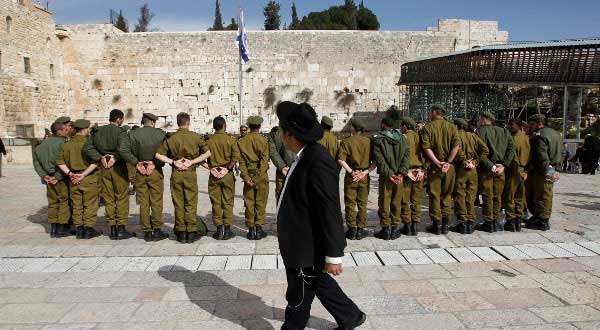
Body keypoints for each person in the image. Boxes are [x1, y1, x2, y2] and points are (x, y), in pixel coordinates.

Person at [276, 101, 366, 330]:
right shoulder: (303, 156)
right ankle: (350, 316)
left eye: (281, 130)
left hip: (306, 246)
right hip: (301, 243)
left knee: (298, 294)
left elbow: (330, 208)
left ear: (289, 135)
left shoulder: (317, 159)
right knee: (319, 281)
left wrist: (334, 255)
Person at [155, 112, 211, 243]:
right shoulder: (196, 137)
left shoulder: (171, 138)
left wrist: (173, 162)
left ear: (177, 123)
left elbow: (158, 154)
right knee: (190, 202)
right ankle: (191, 232)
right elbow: (207, 153)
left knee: (179, 203)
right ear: (188, 122)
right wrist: (192, 161)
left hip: (176, 173)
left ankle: (181, 232)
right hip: (190, 173)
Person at [83, 109, 133, 240]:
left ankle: (112, 228)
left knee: (109, 198)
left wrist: (101, 157)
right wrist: (116, 158)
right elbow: (125, 149)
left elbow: (87, 148)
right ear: (119, 119)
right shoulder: (121, 132)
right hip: (118, 168)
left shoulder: (98, 131)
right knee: (121, 198)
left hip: (104, 168)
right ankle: (121, 228)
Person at [120, 113, 169, 242]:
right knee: (156, 202)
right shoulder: (160, 134)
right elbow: (167, 151)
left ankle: (147, 231)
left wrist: (136, 162)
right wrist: (155, 163)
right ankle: (157, 230)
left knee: (144, 203)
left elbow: (123, 150)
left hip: (140, 171)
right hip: (155, 171)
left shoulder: (132, 134)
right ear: (152, 122)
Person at [56, 119, 101, 239]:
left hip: (73, 179)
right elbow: (96, 162)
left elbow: (60, 162)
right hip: (88, 177)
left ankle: (79, 229)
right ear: (85, 129)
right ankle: (88, 229)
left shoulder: (66, 144)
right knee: (90, 204)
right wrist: (83, 174)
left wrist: (70, 174)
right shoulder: (89, 144)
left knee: (76, 205)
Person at [420, 104, 460, 235]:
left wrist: (437, 162)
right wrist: (448, 162)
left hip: (435, 167)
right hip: (449, 167)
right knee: (447, 194)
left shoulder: (428, 127)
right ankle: (445, 225)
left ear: (434, 112)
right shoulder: (452, 127)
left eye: (431, 111)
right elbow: (456, 146)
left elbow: (426, 147)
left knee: (434, 195)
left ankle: (436, 225)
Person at [371, 111, 409, 240]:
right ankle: (395, 229)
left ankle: (386, 229)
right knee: (396, 202)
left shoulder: (377, 139)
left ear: (383, 124)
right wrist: (401, 173)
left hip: (386, 177)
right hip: (399, 177)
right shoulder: (403, 139)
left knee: (384, 202)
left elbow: (379, 160)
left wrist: (389, 174)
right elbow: (406, 157)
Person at [476, 112, 515, 233]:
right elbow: (511, 148)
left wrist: (491, 166)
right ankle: (496, 221)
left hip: (487, 168)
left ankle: (489, 222)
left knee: (487, 195)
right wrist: (504, 164)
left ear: (483, 120)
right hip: (501, 168)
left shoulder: (480, 132)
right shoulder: (504, 131)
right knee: (497, 195)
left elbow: (479, 152)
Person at [526, 114, 565, 231]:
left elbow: (541, 154)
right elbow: (562, 152)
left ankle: (543, 220)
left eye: (532, 124)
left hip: (542, 170)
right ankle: (539, 216)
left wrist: (548, 170)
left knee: (541, 195)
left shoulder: (540, 135)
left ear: (539, 123)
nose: (530, 127)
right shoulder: (556, 134)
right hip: (551, 168)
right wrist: (557, 169)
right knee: (545, 193)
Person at [33, 122, 72, 238]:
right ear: (58, 131)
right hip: (60, 178)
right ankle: (61, 228)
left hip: (49, 179)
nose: (67, 131)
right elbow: (65, 162)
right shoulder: (63, 144)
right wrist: (57, 176)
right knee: (63, 201)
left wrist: (45, 176)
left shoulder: (41, 145)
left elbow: (36, 163)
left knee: (52, 202)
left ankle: (53, 229)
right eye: (65, 129)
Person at [451, 119, 489, 234]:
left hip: (462, 169)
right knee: (471, 195)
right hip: (473, 169)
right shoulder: (473, 136)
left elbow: (456, 150)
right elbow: (485, 150)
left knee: (460, 194)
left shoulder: (456, 136)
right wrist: (475, 162)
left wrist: (464, 161)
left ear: (457, 126)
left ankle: (463, 222)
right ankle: (470, 222)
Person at [205, 116, 240, 240]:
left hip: (214, 174)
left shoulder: (208, 141)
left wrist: (210, 168)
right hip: (227, 174)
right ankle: (228, 230)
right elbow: (235, 157)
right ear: (225, 125)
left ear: (214, 127)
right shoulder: (231, 140)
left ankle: (219, 230)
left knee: (216, 202)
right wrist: (227, 168)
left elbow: (201, 157)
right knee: (228, 202)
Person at [338, 118, 372, 240]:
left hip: (351, 176)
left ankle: (352, 230)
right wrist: (364, 173)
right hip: (364, 176)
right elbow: (376, 162)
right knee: (362, 204)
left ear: (353, 128)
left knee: (350, 203)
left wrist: (352, 172)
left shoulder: (346, 142)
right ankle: (360, 230)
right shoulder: (369, 141)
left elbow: (341, 160)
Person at [238, 116, 270, 240]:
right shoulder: (263, 141)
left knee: (249, 203)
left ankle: (251, 230)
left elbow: (241, 162)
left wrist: (247, 178)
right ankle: (259, 229)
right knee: (260, 203)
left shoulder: (241, 141)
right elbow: (264, 162)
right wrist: (257, 178)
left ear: (249, 127)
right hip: (260, 176)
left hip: (248, 175)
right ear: (259, 126)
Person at [503, 119, 531, 232]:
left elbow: (512, 156)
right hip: (523, 170)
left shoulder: (513, 138)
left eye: (511, 124)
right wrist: (526, 171)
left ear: (518, 126)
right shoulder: (526, 137)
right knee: (520, 196)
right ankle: (518, 220)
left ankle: (511, 221)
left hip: (514, 169)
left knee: (510, 196)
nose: (509, 126)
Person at [399, 117, 424, 236]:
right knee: (417, 200)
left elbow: (399, 156)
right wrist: (422, 170)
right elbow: (425, 154)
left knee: (405, 200)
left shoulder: (402, 138)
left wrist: (405, 171)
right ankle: (415, 226)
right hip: (418, 172)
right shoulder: (419, 137)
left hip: (407, 172)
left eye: (401, 126)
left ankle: (407, 226)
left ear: (405, 126)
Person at [268, 121, 296, 201]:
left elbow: (272, 151)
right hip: (299, 170)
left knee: (281, 199)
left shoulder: (275, 133)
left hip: (282, 172)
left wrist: (282, 166)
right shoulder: (300, 130)